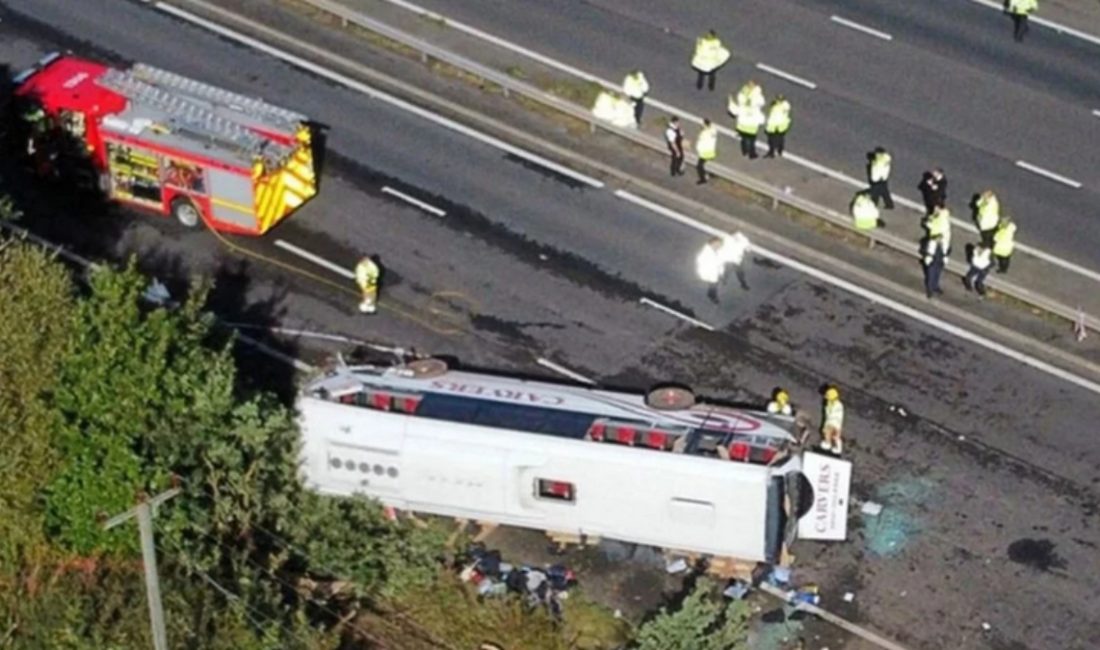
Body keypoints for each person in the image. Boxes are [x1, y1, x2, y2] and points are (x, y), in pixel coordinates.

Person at [695, 232, 751, 303]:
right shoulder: (706, 254)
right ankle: (712, 295)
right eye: (719, 245)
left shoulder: (718, 249)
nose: (720, 246)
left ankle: (740, 283)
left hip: (720, 267)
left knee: (737, 271)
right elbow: (713, 263)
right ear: (713, 244)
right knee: (713, 285)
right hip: (711, 272)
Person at [820, 386, 844, 454]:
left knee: (831, 433)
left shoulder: (837, 404)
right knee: (833, 435)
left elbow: (835, 415)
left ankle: (829, 444)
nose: (825, 397)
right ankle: (835, 446)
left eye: (827, 395)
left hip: (834, 422)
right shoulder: (830, 404)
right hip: (833, 422)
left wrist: (830, 424)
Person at [923, 234, 947, 299]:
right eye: (939, 239)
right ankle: (930, 290)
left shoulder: (942, 244)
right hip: (933, 261)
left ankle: (935, 286)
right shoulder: (932, 244)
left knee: (937, 275)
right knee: (931, 276)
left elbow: (945, 252)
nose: (940, 240)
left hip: (939, 262)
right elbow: (927, 251)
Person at [695, 118, 718, 184]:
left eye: (702, 125)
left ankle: (703, 179)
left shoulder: (703, 134)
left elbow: (699, 144)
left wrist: (698, 150)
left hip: (704, 153)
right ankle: (709, 175)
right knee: (705, 164)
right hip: (711, 151)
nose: (701, 126)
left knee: (699, 166)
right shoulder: (713, 130)